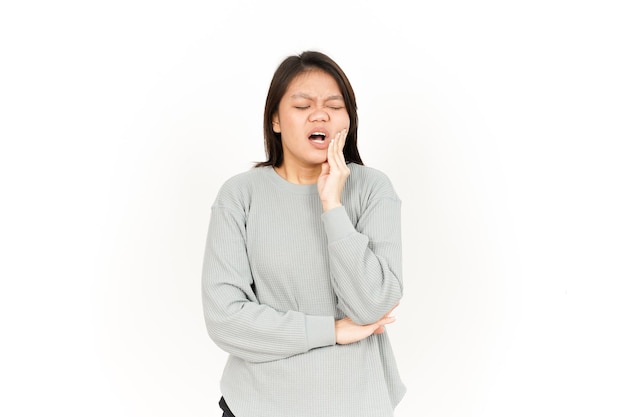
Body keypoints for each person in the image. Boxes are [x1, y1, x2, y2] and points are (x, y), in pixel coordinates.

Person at [201, 50, 405, 417]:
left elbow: (374, 304)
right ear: (275, 120)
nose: (320, 113)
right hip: (255, 405)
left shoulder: (374, 189)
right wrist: (332, 330)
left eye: (334, 104)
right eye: (302, 105)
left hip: (356, 405)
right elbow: (225, 320)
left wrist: (332, 207)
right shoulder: (239, 195)